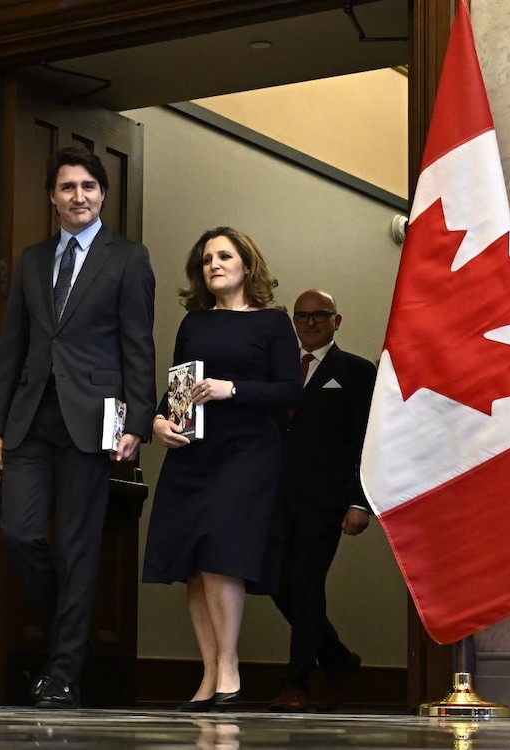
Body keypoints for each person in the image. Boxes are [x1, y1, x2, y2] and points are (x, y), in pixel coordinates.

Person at [0, 146, 156, 709]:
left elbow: (138, 346)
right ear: (52, 197)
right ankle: (66, 641)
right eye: (67, 187)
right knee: (20, 533)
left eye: (88, 187)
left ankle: (61, 674)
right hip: (30, 421)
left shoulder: (128, 258)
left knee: (79, 550)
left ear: (102, 194)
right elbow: (12, 349)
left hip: (93, 422)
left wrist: (135, 419)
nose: (78, 196)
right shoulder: (32, 260)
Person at [142, 227, 300, 711]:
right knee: (193, 563)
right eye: (207, 258)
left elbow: (291, 392)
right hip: (194, 451)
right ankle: (210, 672)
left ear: (247, 266)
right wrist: (158, 422)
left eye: (224, 256)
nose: (214, 264)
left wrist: (234, 389)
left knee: (220, 551)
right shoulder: (194, 324)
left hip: (248, 451)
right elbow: (178, 391)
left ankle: (229, 666)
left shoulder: (273, 322)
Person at [270, 288, 377, 712]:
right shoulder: (279, 371)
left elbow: (368, 441)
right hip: (276, 500)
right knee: (279, 585)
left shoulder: (355, 371)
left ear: (337, 320)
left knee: (307, 586)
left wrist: (359, 502)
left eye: (321, 314)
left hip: (327, 502)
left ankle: (295, 682)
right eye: (302, 316)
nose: (311, 322)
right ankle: (336, 658)